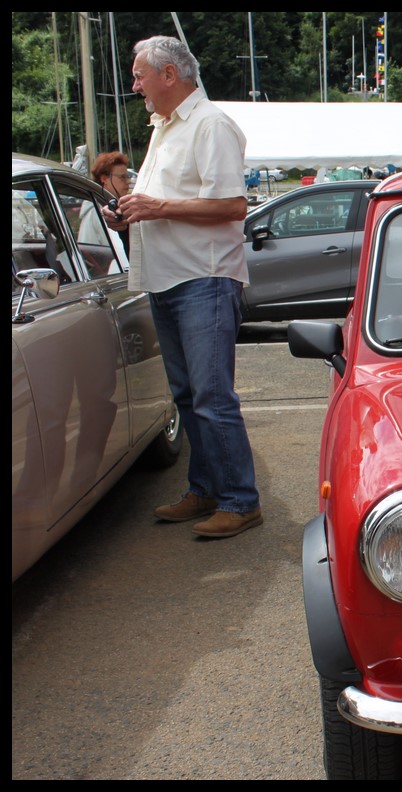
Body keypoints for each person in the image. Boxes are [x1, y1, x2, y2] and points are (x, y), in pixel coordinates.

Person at [103, 35, 262, 538]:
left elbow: (233, 206)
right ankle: (207, 490)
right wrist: (131, 211)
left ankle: (240, 500)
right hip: (173, 277)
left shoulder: (209, 124)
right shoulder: (166, 127)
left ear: (169, 75)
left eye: (139, 75)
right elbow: (170, 201)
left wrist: (153, 207)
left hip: (204, 278)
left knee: (211, 395)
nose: (135, 85)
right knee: (190, 394)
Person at [90, 151, 133, 253]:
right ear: (104, 179)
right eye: (122, 177)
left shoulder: (115, 207)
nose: (128, 181)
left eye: (128, 176)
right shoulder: (97, 210)